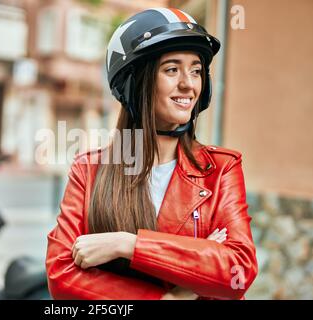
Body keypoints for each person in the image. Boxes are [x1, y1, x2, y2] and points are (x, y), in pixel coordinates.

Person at [46, 7, 258, 300]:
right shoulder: (90, 169)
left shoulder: (221, 169)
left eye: (196, 71)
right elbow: (62, 275)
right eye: (172, 69)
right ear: (136, 84)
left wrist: (128, 245)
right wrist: (170, 293)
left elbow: (237, 270)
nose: (188, 84)